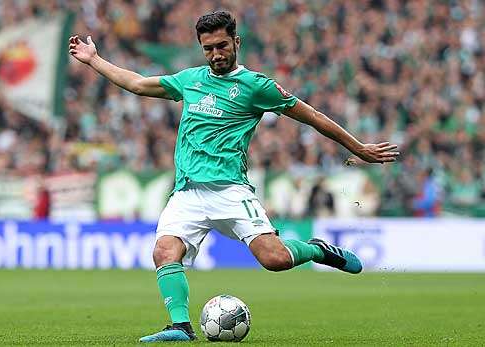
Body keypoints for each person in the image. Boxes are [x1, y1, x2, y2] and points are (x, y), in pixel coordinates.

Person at [69, 11, 400, 342]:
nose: (216, 54)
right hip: (187, 192)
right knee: (164, 252)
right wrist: (95, 60)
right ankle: (180, 327)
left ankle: (317, 250)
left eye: (222, 46)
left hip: (230, 189)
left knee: (275, 259)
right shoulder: (190, 80)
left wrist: (357, 148)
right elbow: (137, 83)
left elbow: (311, 116)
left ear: (236, 42)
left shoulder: (257, 87)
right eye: (208, 48)